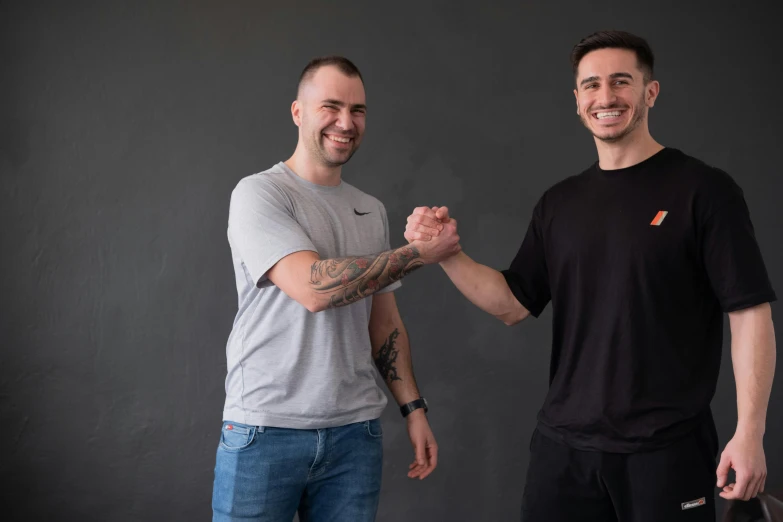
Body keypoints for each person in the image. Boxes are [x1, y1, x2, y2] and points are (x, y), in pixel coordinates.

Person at [405, 30, 777, 522]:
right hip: (564, 451)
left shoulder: (703, 191)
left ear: (650, 92)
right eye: (592, 85)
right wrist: (449, 255)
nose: (606, 97)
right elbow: (514, 304)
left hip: (666, 450)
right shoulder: (560, 203)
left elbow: (749, 313)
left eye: (621, 82)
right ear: (577, 99)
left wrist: (750, 432)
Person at [212, 56, 460, 522]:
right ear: (298, 112)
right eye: (331, 106)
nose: (346, 123)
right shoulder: (260, 193)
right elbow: (313, 290)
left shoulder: (370, 209)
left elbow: (384, 322)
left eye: (358, 110)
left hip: (354, 435)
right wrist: (418, 253)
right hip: (265, 430)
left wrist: (414, 409)